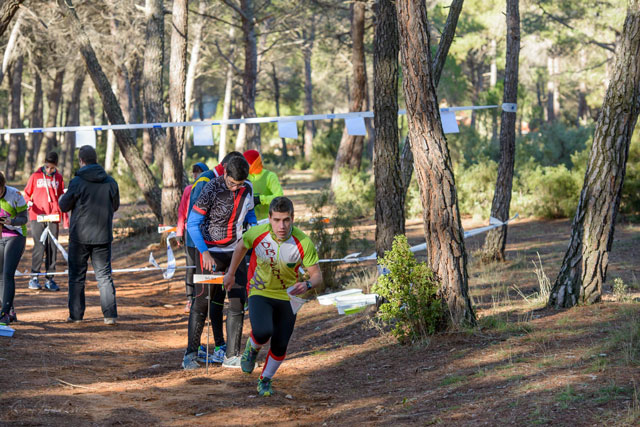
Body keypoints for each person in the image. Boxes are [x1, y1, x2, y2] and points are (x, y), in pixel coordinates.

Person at [223, 196, 322, 397]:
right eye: (276, 220)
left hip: (288, 296)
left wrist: (307, 284)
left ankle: (265, 380)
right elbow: (241, 246)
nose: (281, 225)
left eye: (286, 220)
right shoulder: (257, 233)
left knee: (280, 343)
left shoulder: (303, 242)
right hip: (260, 290)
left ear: (293, 218)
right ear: (269, 218)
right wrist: (231, 273)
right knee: (262, 331)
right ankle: (252, 348)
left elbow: (317, 275)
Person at [183, 155, 256, 370]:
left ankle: (231, 355)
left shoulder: (248, 189)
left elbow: (250, 212)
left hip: (235, 251)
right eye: (232, 183)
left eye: (240, 184)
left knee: (236, 302)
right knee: (202, 302)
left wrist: (251, 229)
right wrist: (204, 252)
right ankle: (191, 354)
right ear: (225, 174)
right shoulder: (210, 188)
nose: (235, 188)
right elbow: (193, 223)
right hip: (209, 252)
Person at [59, 145, 120, 325]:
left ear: (81, 160)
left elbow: (64, 206)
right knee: (104, 276)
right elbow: (115, 206)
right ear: (96, 160)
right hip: (103, 235)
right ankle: (110, 316)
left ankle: (76, 316)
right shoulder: (110, 181)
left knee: (77, 277)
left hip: (79, 236)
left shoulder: (77, 182)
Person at [23, 151, 66, 291]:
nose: (49, 170)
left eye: (52, 168)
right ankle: (34, 277)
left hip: (52, 216)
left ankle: (50, 279)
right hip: (38, 216)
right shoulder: (35, 176)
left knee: (52, 247)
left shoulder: (58, 178)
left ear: (56, 166)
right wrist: (28, 202)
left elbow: (60, 196)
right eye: (47, 167)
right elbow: (27, 193)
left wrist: (63, 212)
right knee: (39, 245)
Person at [176, 162, 212, 313]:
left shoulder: (210, 188)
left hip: (206, 237)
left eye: (200, 172)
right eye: (194, 172)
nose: (196, 175)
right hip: (190, 236)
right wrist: (179, 232)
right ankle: (190, 299)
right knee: (190, 268)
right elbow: (182, 211)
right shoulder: (188, 190)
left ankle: (203, 300)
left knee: (202, 269)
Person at [0, 171, 28, 326]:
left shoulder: (14, 195)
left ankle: (4, 313)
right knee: (0, 274)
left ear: (3, 186)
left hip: (15, 235)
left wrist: (11, 221)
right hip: (0, 236)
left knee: (7, 273)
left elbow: (25, 218)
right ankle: (9, 309)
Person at [243, 150, 284, 221]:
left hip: (267, 220)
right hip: (247, 221)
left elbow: (280, 197)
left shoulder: (270, 176)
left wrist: (260, 199)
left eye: (246, 163)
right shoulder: (243, 176)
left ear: (254, 163)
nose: (243, 165)